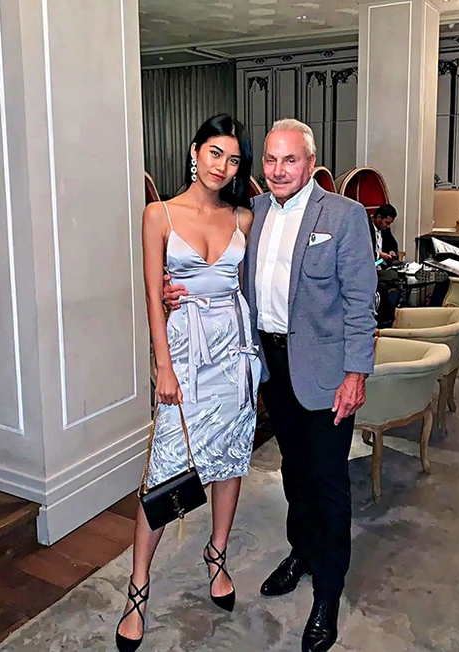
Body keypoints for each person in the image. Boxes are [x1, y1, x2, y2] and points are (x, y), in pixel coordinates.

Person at [165, 119, 376, 652]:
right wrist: (175, 291)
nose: (279, 170)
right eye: (271, 160)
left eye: (290, 160)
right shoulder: (252, 213)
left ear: (311, 162)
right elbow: (219, 273)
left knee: (328, 482)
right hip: (270, 365)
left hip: (326, 372)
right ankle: (301, 552)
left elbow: (361, 303)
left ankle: (327, 592)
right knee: (292, 472)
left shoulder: (344, 216)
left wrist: (356, 374)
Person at [115, 114, 261, 652]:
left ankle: (216, 553)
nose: (223, 166)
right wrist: (164, 365)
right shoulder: (158, 214)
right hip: (183, 353)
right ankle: (138, 586)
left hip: (233, 355)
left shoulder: (243, 218)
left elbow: (249, 287)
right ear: (195, 151)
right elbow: (153, 295)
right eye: (215, 153)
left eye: (234, 159)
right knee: (165, 470)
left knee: (231, 458)